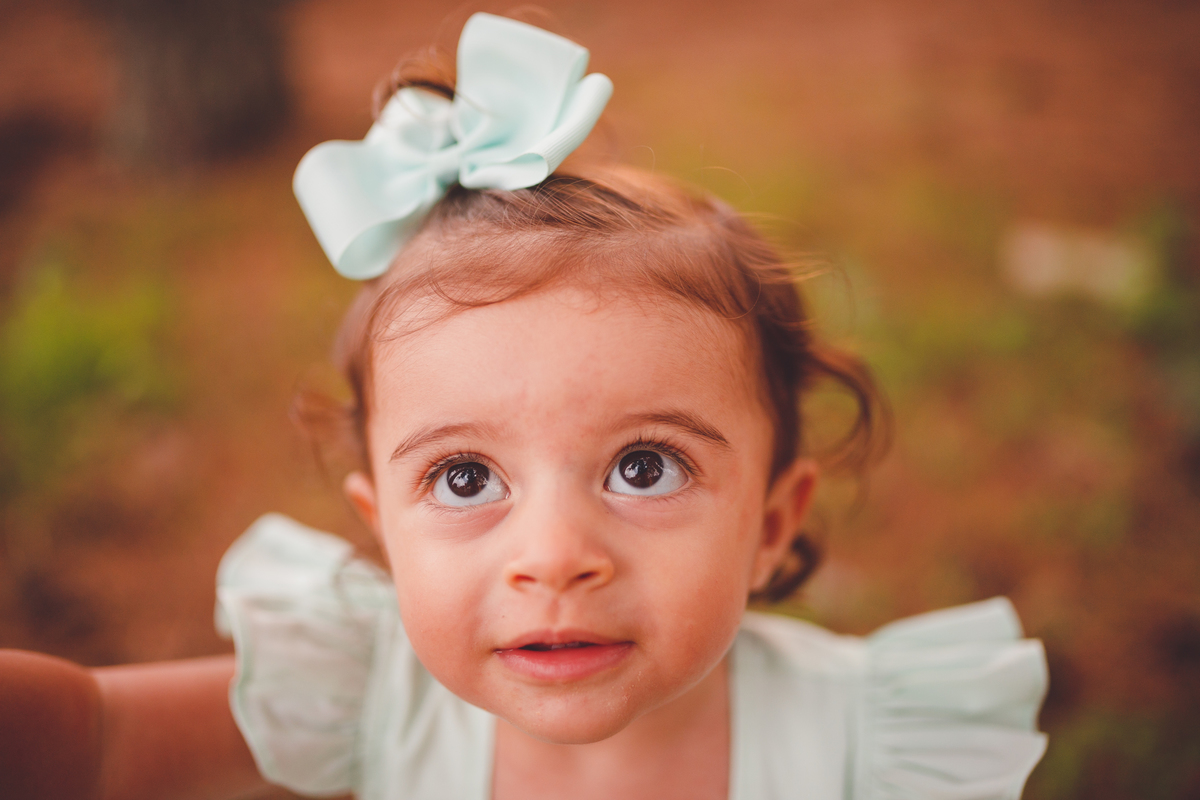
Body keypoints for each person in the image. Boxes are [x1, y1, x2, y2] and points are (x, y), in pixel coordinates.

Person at [0, 13, 1049, 800]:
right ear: (384, 534)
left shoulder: (867, 741)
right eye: (464, 478)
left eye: (645, 466)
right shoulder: (373, 690)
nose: (553, 555)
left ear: (772, 523)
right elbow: (95, 733)